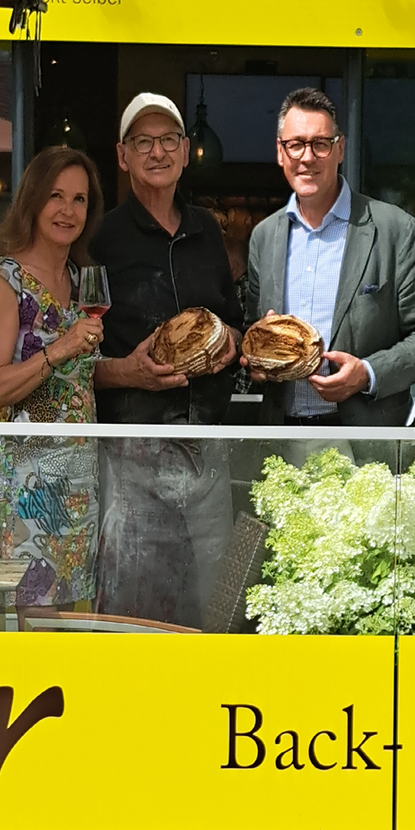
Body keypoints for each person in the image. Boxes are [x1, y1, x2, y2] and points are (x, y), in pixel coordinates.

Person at [91, 92, 244, 626]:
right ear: (122, 155)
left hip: (207, 448)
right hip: (132, 453)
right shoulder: (101, 237)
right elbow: (72, 358)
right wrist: (126, 371)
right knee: (134, 603)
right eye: (143, 142)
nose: (157, 152)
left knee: (214, 603)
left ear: (184, 152)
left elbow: (233, 320)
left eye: (168, 140)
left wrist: (230, 342)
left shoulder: (207, 230)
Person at [244, 86, 415, 427]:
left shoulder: (395, 230)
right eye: (296, 144)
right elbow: (252, 329)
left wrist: (368, 373)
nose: (307, 157)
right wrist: (258, 358)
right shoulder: (264, 237)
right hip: (282, 434)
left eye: (320, 144)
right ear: (281, 152)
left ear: (340, 149)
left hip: (363, 437)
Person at [0, 146, 106, 609]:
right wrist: (60, 348)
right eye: (56, 196)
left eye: (79, 199)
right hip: (28, 484)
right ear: (33, 200)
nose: (68, 210)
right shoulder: (6, 279)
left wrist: (132, 366)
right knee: (31, 615)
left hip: (79, 480)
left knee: (76, 616)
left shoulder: (79, 278)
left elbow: (78, 379)